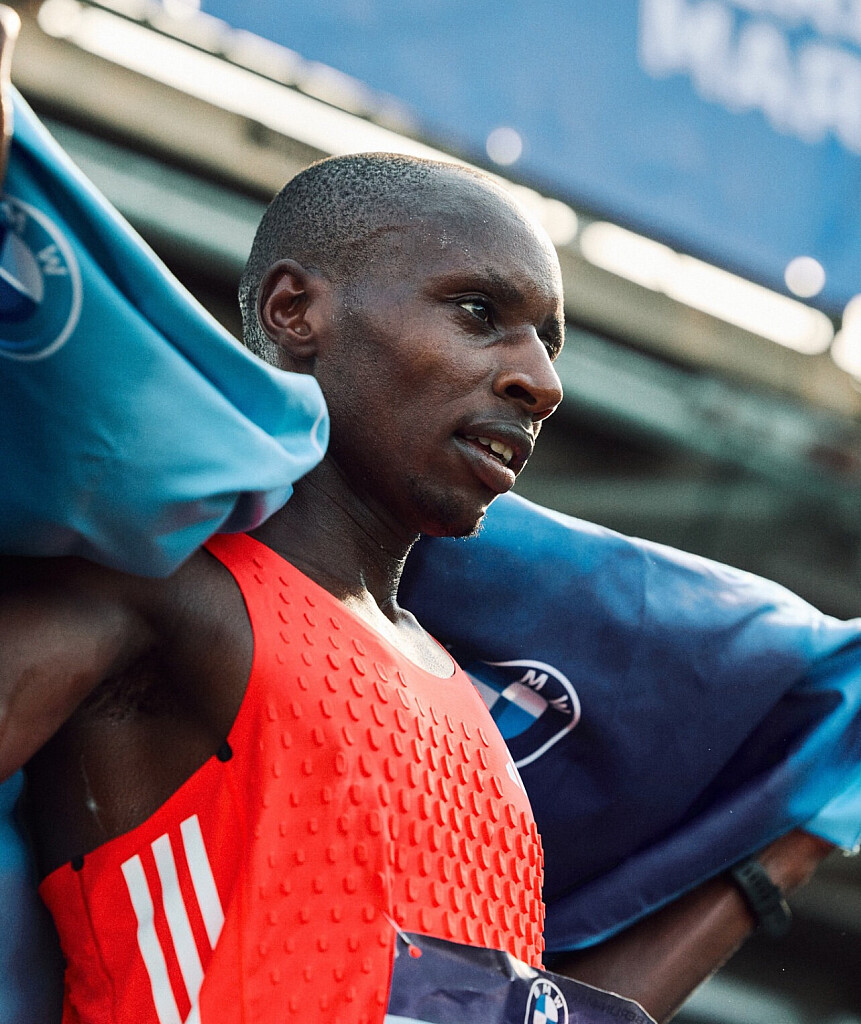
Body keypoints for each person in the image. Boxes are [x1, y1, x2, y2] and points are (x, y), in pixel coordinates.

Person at [0, 12, 848, 1023]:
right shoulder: (166, 592)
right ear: (294, 311)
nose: (541, 383)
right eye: (480, 314)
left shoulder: (472, 707)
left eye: (549, 345)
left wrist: (799, 831)